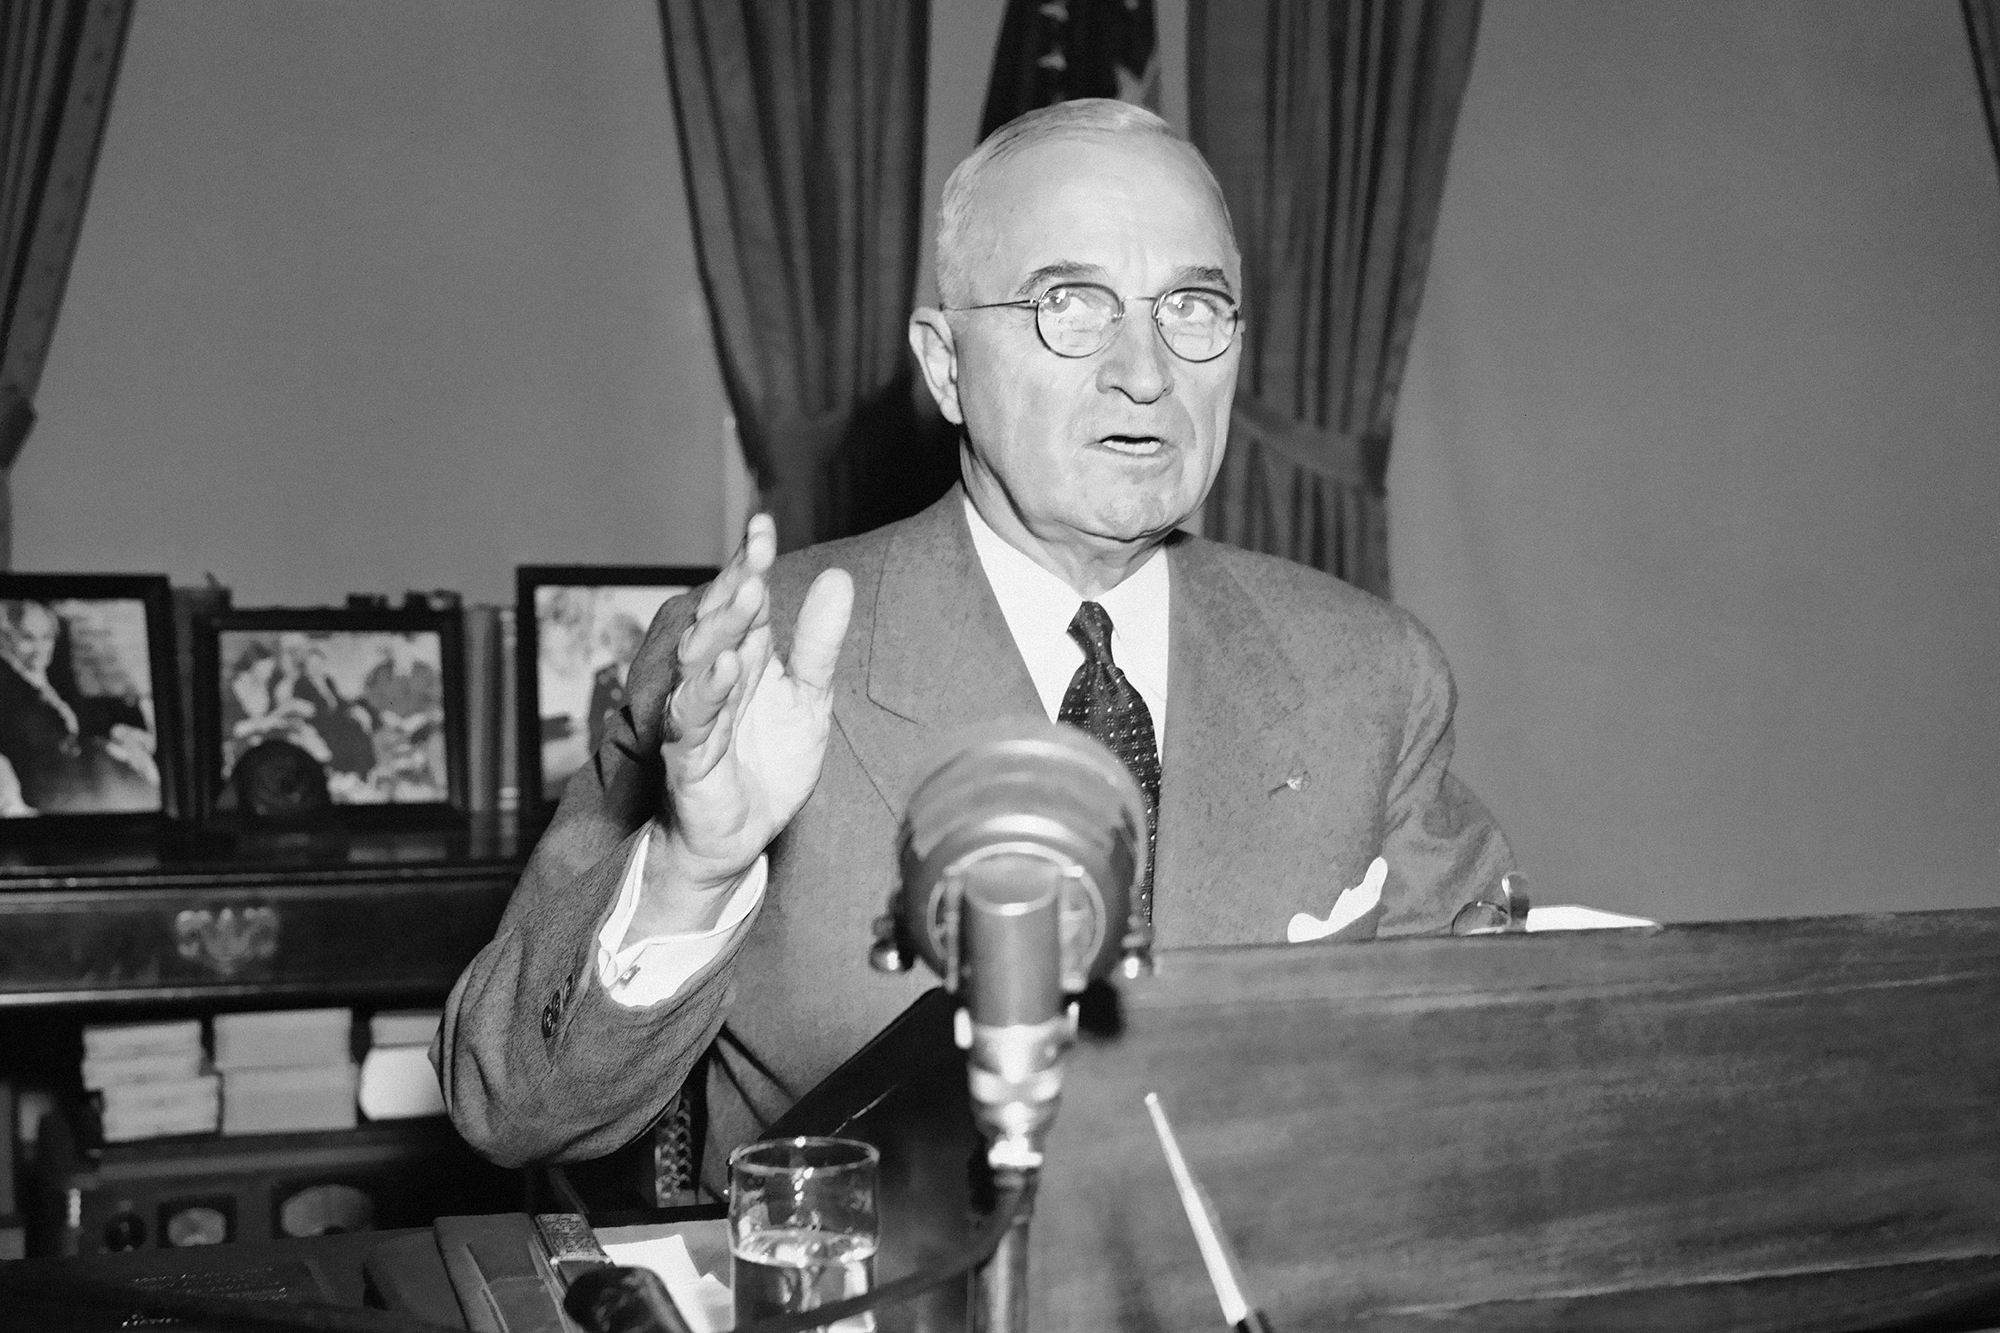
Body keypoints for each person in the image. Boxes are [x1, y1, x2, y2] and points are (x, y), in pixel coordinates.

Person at [436, 100, 1513, 1185]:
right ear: (944, 365)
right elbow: (511, 1108)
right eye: (1070, 306)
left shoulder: (1367, 672)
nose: (1145, 370)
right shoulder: (753, 657)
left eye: (1191, 306)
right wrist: (691, 864)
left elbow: (1493, 1073)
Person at [0, 599, 158, 814]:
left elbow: (78, 717)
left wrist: (118, 731)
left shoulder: (52, 676)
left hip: (84, 793)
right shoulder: (7, 690)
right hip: (47, 806)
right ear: (7, 639)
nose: (40, 649)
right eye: (28, 638)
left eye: (47, 638)